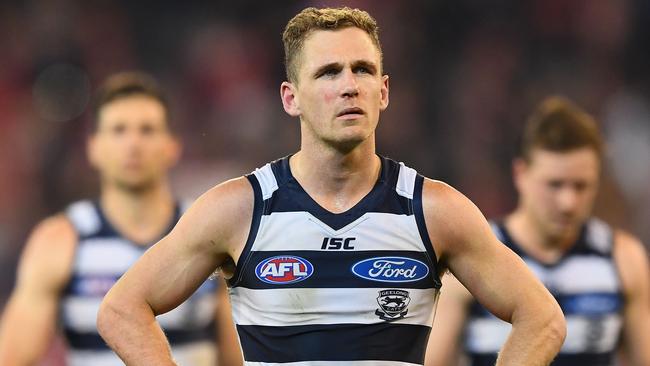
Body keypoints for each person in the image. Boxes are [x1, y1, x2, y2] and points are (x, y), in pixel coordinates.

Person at [97, 7, 566, 366]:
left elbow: (541, 319)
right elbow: (122, 309)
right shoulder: (240, 209)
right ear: (290, 97)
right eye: (328, 72)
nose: (349, 86)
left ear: (383, 91)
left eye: (362, 70)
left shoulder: (433, 210)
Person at [0, 72, 241, 366]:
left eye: (147, 130)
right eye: (118, 130)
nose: (133, 144)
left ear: (172, 146)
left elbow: (240, 359)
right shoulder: (61, 240)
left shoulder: (208, 231)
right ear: (93, 147)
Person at [425, 97, 650, 366]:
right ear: (521, 174)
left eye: (581, 186)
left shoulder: (623, 260)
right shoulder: (472, 257)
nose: (568, 202)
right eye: (554, 185)